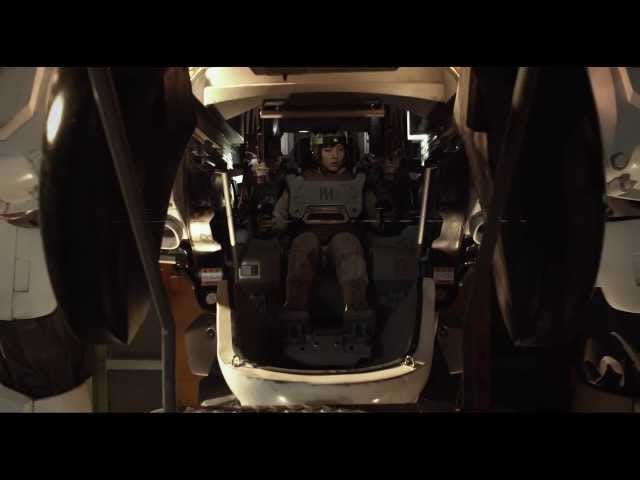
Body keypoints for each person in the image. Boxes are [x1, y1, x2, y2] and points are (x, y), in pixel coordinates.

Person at [261, 132, 374, 325]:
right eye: (328, 150)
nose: (335, 156)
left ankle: (357, 314)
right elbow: (280, 217)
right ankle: (295, 313)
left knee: (349, 250)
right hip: (308, 236)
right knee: (302, 249)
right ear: (316, 153)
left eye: (340, 150)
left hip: (344, 236)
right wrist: (268, 224)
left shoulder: (356, 182)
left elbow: (374, 214)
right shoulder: (299, 182)